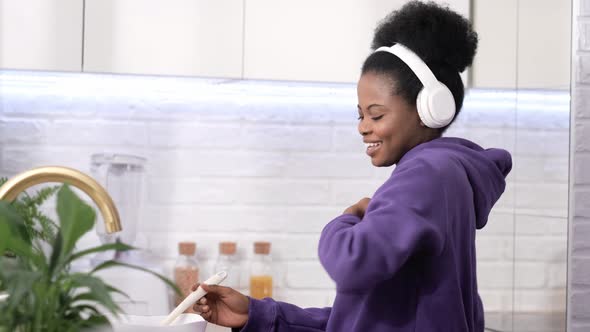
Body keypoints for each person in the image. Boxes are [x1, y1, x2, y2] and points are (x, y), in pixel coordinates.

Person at [191, 1, 512, 331]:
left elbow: (351, 262)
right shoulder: (446, 174)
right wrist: (256, 315)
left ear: (429, 108)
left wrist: (346, 219)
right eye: (360, 115)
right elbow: (366, 317)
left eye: (376, 114)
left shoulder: (425, 175)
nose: (363, 126)